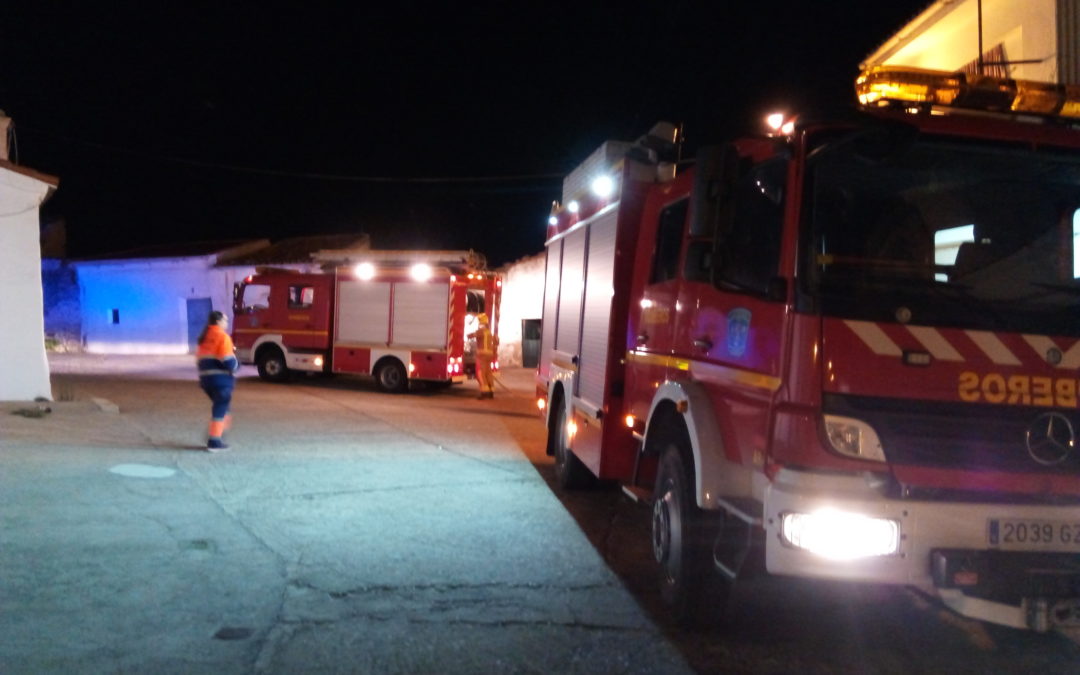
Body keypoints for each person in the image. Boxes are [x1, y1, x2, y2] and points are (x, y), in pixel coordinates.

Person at [196, 310, 239, 451]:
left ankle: (218, 434)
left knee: (224, 408)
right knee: (221, 409)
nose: (227, 322)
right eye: (225, 320)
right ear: (219, 321)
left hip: (207, 381)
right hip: (221, 380)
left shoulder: (204, 338)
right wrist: (237, 365)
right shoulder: (222, 337)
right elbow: (229, 362)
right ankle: (214, 441)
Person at [468, 312, 496, 399]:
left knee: (481, 373)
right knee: (488, 373)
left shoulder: (481, 331)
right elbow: (496, 342)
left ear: (481, 323)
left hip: (482, 356)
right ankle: (491, 391)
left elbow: (470, 336)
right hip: (489, 355)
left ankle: (484, 393)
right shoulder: (489, 332)